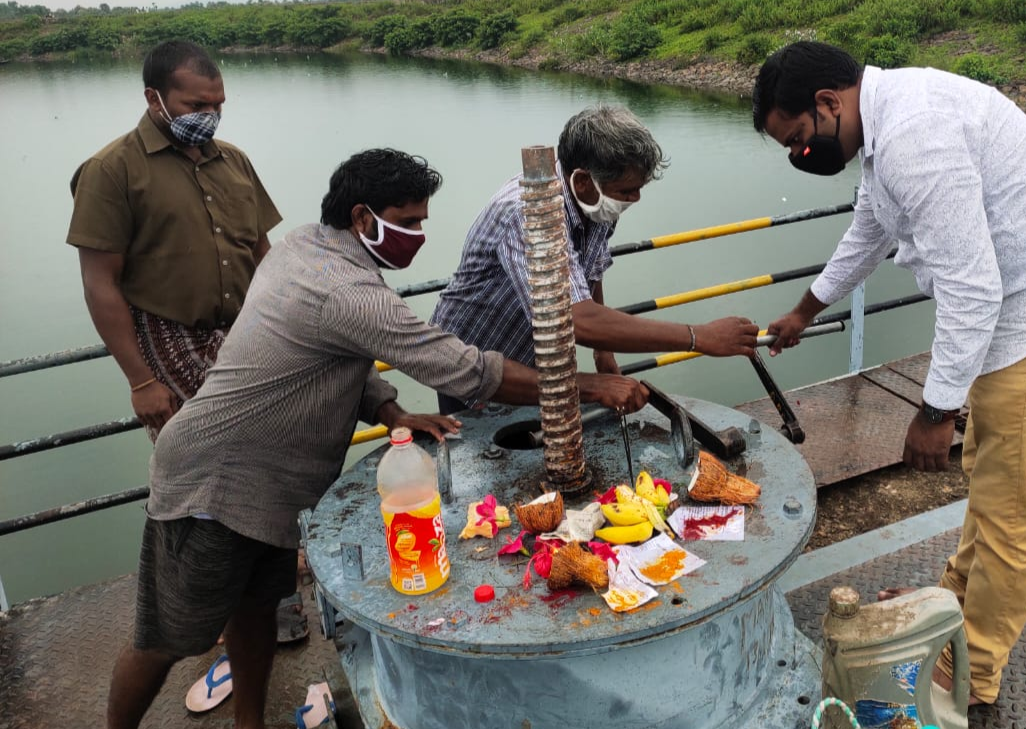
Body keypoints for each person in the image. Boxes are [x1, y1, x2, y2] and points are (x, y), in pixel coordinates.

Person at [104, 148, 647, 729]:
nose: (418, 234)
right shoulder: (349, 292)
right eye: (408, 221)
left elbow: (338, 351)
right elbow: (464, 370)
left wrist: (389, 410)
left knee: (257, 606)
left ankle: (249, 723)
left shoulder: (304, 247)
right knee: (165, 638)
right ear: (364, 218)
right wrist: (586, 385)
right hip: (216, 481)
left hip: (269, 486)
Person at [753, 41, 1026, 706]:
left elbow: (973, 288)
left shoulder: (913, 134)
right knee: (991, 479)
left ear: (828, 102)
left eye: (798, 138)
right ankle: (955, 610)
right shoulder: (884, 130)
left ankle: (976, 672)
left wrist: (936, 411)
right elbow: (866, 234)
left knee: (1012, 510)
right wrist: (804, 309)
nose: (800, 155)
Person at [431, 104, 759, 414]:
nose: (635, 198)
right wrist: (698, 336)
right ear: (584, 180)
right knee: (492, 456)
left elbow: (591, 270)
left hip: (541, 358)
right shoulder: (531, 212)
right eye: (628, 190)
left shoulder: (597, 201)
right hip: (477, 361)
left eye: (639, 188)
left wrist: (604, 353)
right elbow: (575, 318)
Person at [67, 40, 281, 441]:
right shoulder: (111, 170)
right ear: (154, 98)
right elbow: (100, 284)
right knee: (208, 451)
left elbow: (262, 252)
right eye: (196, 106)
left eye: (218, 106)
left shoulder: (233, 162)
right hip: (168, 335)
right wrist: (141, 382)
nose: (210, 116)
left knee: (279, 434)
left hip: (246, 329)